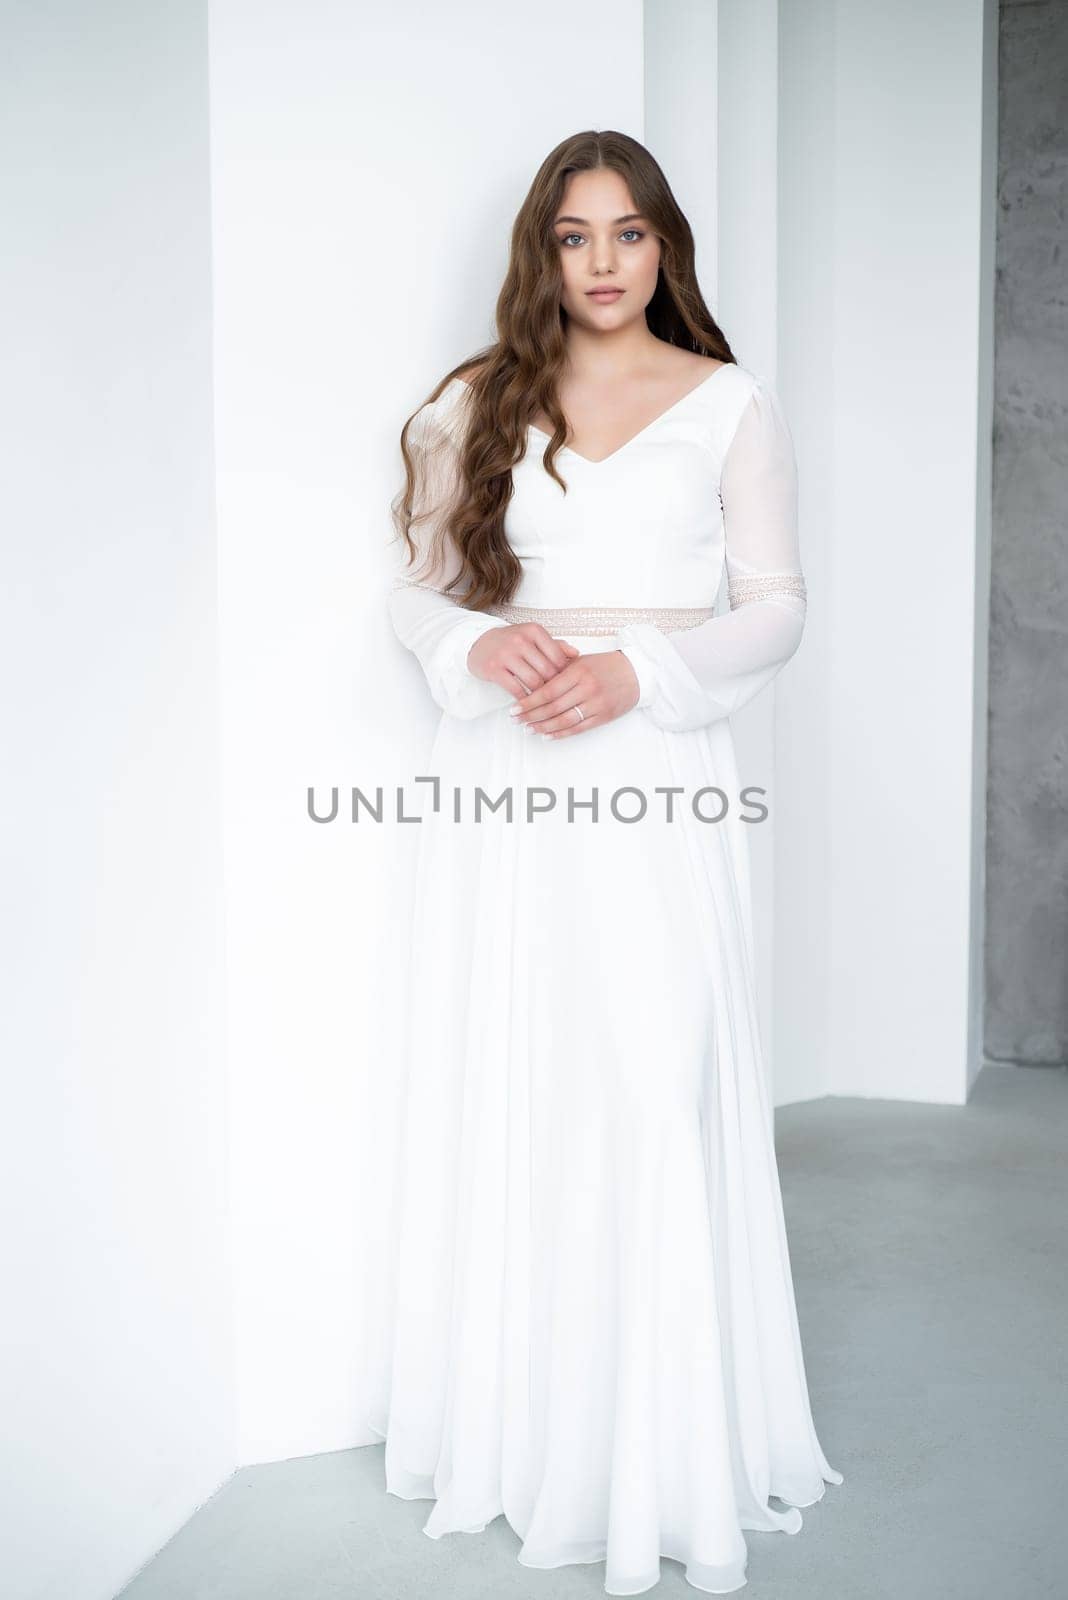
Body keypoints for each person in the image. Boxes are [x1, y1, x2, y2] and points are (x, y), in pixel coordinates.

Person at [365, 128, 842, 1597]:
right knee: (524, 1082)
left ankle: (662, 1466)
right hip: (509, 780)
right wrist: (472, 639)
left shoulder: (729, 406)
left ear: (666, 247)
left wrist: (643, 677)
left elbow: (775, 609)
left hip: (652, 774)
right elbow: (415, 597)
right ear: (543, 252)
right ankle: (528, 1445)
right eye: (574, 238)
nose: (602, 264)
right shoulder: (475, 401)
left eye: (628, 234)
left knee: (649, 1081)